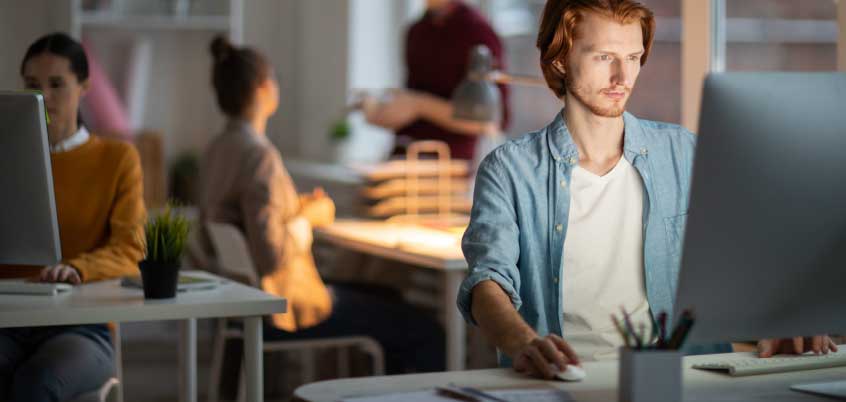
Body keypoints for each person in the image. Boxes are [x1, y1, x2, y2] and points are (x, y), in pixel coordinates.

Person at [457, 0, 837, 380]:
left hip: (677, 378)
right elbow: (487, 282)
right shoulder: (510, 169)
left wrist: (786, 315)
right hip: (565, 379)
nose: (623, 76)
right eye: (605, 56)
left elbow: (746, 257)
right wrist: (522, 341)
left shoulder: (685, 153)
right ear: (559, 59)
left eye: (634, 57)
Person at [199, 36, 445, 375]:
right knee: (424, 331)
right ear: (264, 88)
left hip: (243, 304)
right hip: (285, 308)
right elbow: (271, 255)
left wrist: (297, 209)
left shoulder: (219, 149)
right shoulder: (259, 156)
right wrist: (308, 220)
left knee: (384, 294)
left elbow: (246, 219)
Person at [0, 32, 146, 401]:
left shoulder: (118, 159)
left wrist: (78, 268)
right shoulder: (6, 158)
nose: (43, 96)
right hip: (8, 319)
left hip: (82, 328)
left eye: (56, 84)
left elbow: (131, 248)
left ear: (84, 88)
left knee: (38, 383)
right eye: (32, 85)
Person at [362, 0, 510, 160]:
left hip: (447, 164)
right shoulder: (417, 31)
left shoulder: (478, 32)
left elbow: (492, 121)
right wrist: (384, 110)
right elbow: (411, 100)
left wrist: (419, 104)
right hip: (404, 156)